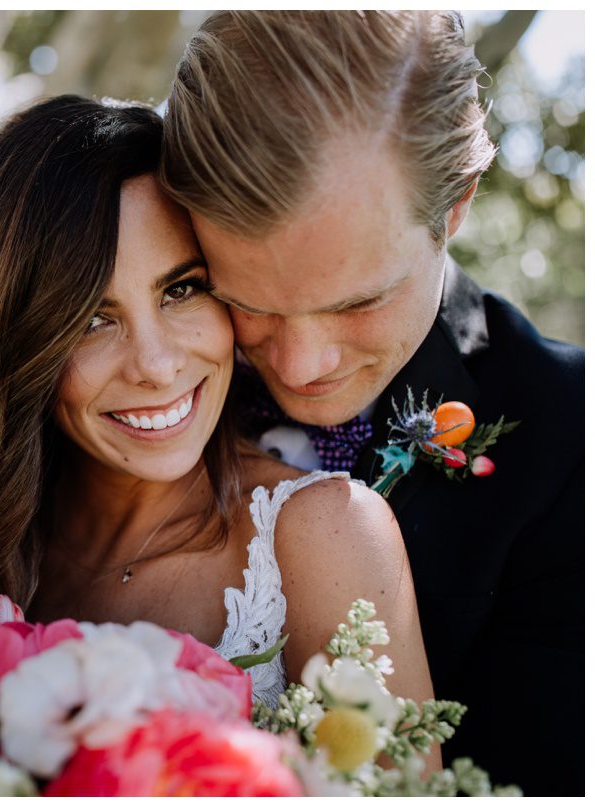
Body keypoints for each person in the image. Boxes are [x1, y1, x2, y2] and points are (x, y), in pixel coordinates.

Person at [0, 95, 436, 742]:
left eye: (182, 288)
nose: (156, 364)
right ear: (13, 345)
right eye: (92, 318)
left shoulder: (324, 534)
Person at [158, 11, 583, 795]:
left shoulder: (570, 440)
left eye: (359, 303)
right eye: (247, 301)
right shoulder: (142, 393)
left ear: (456, 205)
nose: (300, 363)